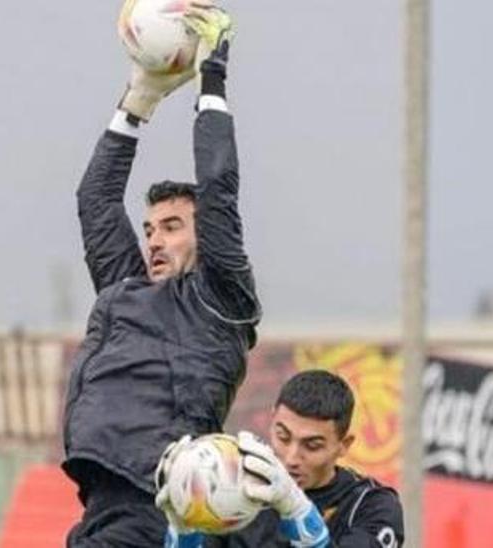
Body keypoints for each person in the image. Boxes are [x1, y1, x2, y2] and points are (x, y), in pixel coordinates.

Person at [63, 4, 260, 545]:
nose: (153, 239)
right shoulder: (127, 289)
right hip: (103, 498)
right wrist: (138, 101)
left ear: (204, 237)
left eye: (172, 227)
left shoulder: (220, 299)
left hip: (161, 500)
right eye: (150, 229)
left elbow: (217, 190)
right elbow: (96, 201)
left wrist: (211, 80)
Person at [159, 370, 405, 548]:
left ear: (344, 445)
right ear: (272, 419)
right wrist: (185, 531)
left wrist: (296, 508)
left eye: (312, 445)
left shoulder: (370, 505)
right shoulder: (237, 491)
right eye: (283, 436)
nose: (291, 457)